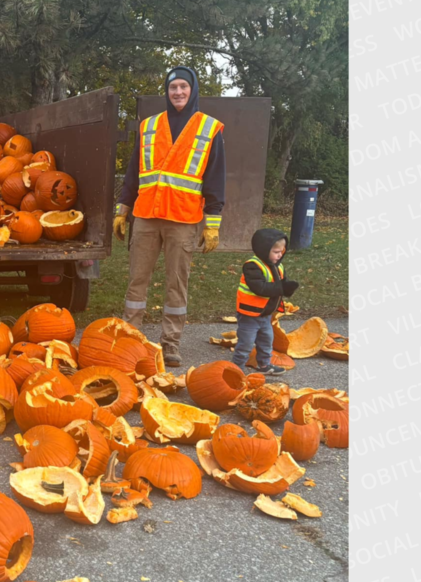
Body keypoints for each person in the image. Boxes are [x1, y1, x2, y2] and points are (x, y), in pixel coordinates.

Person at [112, 66, 226, 367]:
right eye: (173, 87)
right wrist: (122, 210)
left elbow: (215, 180)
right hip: (146, 216)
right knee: (137, 281)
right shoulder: (148, 126)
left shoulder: (208, 128)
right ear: (167, 90)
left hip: (183, 219)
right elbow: (133, 173)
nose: (177, 92)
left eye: (183, 87)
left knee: (177, 284)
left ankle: (171, 343)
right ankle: (130, 337)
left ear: (193, 90)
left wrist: (212, 225)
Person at [232, 229, 299, 374]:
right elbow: (260, 288)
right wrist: (281, 287)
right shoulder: (252, 266)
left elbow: (280, 286)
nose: (280, 255)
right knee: (246, 343)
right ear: (264, 250)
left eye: (281, 251)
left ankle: (264, 365)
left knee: (267, 341)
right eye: (276, 252)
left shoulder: (278, 266)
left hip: (265, 314)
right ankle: (236, 369)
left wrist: (287, 288)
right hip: (249, 314)